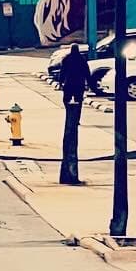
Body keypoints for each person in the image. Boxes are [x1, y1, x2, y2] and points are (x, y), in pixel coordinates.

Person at [58, 42, 91, 186]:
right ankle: (76, 117)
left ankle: (69, 114)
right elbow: (87, 72)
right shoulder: (81, 60)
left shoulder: (67, 59)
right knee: (79, 102)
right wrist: (89, 83)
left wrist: (60, 82)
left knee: (66, 100)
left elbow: (62, 72)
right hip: (79, 84)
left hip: (69, 83)